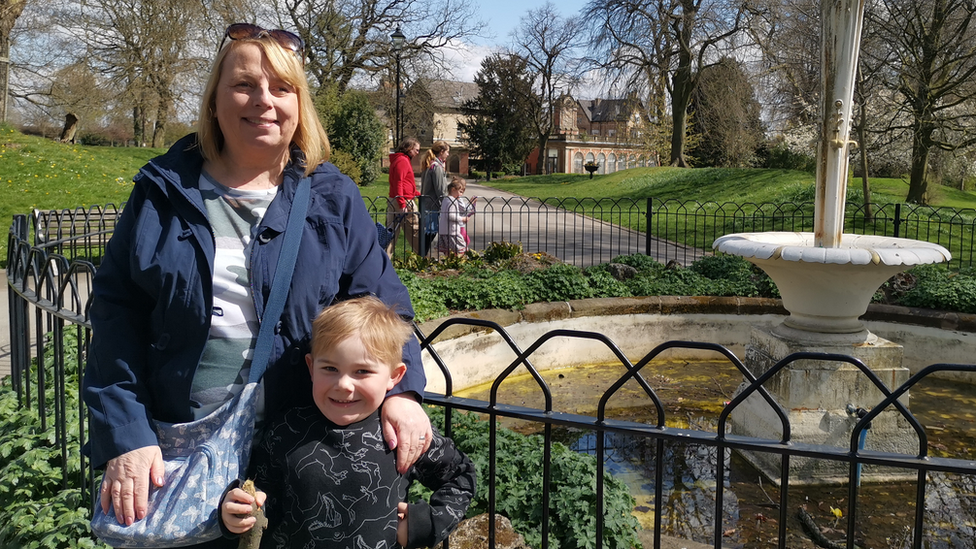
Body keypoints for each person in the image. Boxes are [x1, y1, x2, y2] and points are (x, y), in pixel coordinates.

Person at [82, 24, 432, 549]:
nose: (263, 101)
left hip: (300, 454)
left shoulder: (332, 197)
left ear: (299, 104)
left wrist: (402, 392)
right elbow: (115, 318)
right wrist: (126, 436)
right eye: (244, 84)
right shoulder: (160, 193)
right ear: (216, 101)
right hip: (179, 451)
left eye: (282, 88)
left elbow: (380, 303)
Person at [221, 296, 476, 549]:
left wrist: (423, 525)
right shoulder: (285, 429)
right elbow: (260, 490)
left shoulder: (401, 433)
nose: (343, 384)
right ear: (311, 367)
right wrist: (240, 510)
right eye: (330, 369)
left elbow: (461, 476)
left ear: (394, 376)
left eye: (362, 371)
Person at [387, 137, 422, 256]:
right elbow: (399, 182)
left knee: (390, 233)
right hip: (403, 201)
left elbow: (405, 182)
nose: (417, 153)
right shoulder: (402, 161)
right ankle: (422, 257)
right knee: (414, 232)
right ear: (409, 148)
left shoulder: (400, 159)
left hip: (397, 199)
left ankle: (384, 262)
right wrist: (402, 203)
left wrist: (415, 193)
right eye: (416, 150)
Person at [419, 140, 450, 255]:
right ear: (441, 152)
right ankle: (422, 255)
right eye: (447, 152)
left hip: (427, 204)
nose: (448, 154)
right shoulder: (436, 167)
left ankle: (422, 255)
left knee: (429, 232)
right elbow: (440, 190)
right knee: (430, 233)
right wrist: (446, 205)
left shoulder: (430, 165)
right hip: (432, 205)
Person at [438, 176, 477, 255]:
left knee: (448, 250)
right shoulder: (453, 201)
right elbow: (451, 216)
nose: (461, 194)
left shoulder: (445, 199)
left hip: (444, 230)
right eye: (460, 191)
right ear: (453, 190)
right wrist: (462, 219)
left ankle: (449, 262)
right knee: (461, 249)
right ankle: (459, 263)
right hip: (452, 231)